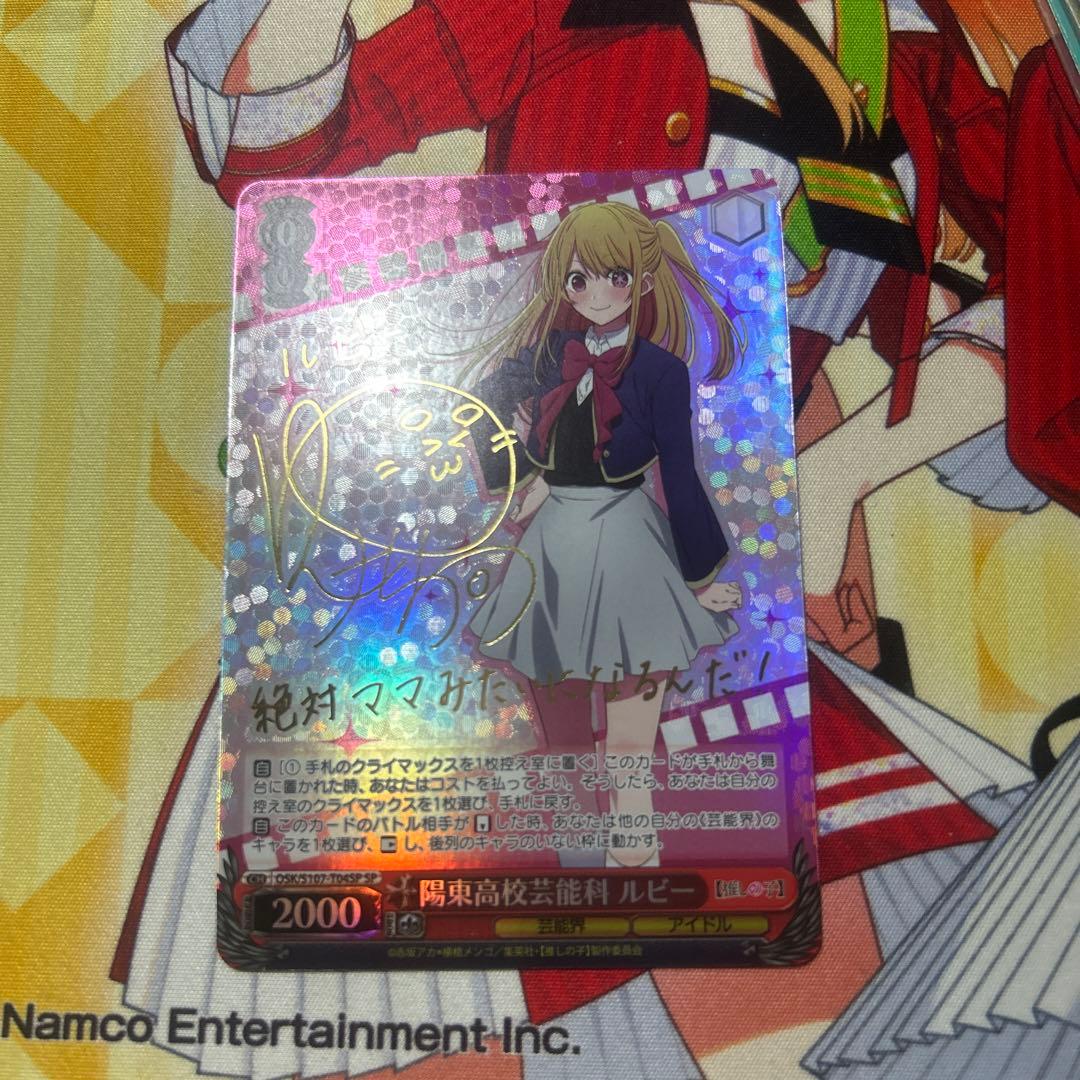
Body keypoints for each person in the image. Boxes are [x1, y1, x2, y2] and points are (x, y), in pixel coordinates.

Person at [464, 201, 743, 866]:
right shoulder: (548, 358)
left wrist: (698, 576)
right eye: (578, 279)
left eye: (614, 277)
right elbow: (487, 412)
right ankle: (577, 858)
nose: (595, 294)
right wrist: (519, 457)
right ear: (563, 285)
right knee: (561, 735)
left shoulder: (660, 372)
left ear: (641, 280)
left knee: (629, 743)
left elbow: (679, 472)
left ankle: (636, 859)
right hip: (554, 546)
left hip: (628, 542)